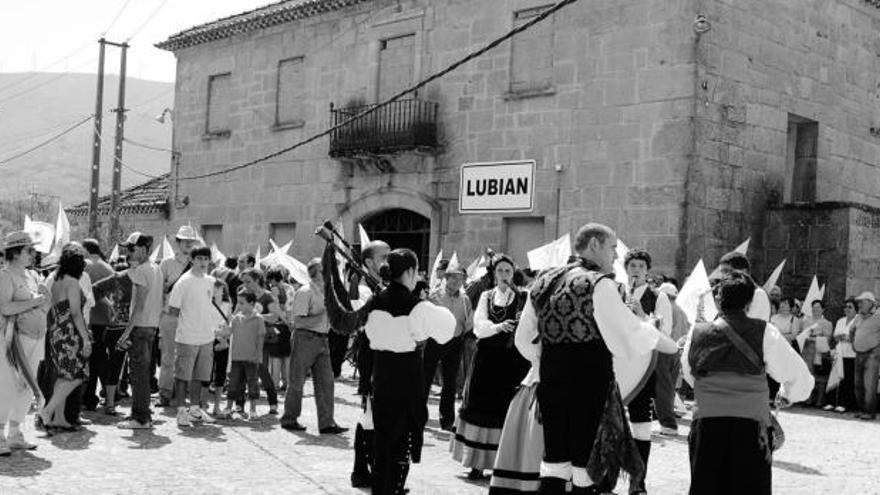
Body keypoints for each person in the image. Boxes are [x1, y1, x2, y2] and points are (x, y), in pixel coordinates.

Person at [518, 223, 679, 494]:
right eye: (612, 247)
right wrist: (670, 345)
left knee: (555, 462)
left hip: (552, 383)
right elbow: (630, 333)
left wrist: (549, 363)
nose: (616, 256)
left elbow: (523, 340)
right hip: (589, 385)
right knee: (585, 464)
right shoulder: (599, 284)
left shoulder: (543, 281)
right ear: (594, 245)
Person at [325, 246, 455, 494]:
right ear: (409, 271)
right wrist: (425, 302)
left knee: (383, 440)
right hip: (407, 378)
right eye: (416, 271)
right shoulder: (418, 307)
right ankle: (392, 489)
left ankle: (381, 487)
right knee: (401, 443)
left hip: (381, 376)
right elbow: (447, 330)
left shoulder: (374, 302)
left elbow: (356, 323)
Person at [682, 270, 814, 495]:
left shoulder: (697, 332)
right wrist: (787, 394)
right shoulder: (764, 332)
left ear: (717, 299)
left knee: (707, 487)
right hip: (750, 427)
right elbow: (800, 378)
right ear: (750, 302)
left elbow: (689, 373)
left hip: (707, 424)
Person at [451, 254, 530, 480]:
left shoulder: (523, 297)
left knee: (506, 410)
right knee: (480, 407)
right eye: (500, 271)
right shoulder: (487, 296)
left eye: (508, 271)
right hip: (487, 361)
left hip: (513, 363)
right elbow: (479, 326)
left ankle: (503, 463)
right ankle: (476, 463)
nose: (504, 275)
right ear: (494, 274)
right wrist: (499, 327)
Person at [327, 239, 389, 489]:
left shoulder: (384, 285)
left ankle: (370, 469)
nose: (388, 261)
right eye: (383, 257)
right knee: (371, 412)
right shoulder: (361, 287)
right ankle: (363, 470)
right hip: (372, 354)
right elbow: (364, 313)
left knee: (375, 414)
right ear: (368, 262)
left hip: (386, 353)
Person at [280, 258, 347, 434]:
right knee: (297, 381)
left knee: (326, 382)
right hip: (305, 338)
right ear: (316, 272)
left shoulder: (327, 292)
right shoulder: (305, 291)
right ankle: (289, 418)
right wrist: (325, 314)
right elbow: (298, 321)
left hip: (323, 339)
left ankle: (327, 423)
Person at [0, 231, 50, 453]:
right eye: (29, 250)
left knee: (27, 385)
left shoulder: (32, 275)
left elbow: (42, 304)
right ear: (16, 252)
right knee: (8, 386)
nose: (33, 254)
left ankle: (15, 432)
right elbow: (5, 307)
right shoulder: (5, 276)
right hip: (14, 341)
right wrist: (36, 302)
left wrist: (43, 300)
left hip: (36, 337)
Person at [41, 243, 91, 431]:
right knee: (78, 374)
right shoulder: (72, 282)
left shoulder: (55, 279)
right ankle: (48, 410)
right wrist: (86, 338)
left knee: (63, 375)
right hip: (69, 332)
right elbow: (76, 313)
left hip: (55, 331)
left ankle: (59, 418)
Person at [116, 232, 163, 429]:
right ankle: (142, 414)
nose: (129, 252)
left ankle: (140, 418)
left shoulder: (142, 271)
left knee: (138, 375)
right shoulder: (155, 268)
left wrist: (126, 333)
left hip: (141, 327)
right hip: (151, 326)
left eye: (132, 248)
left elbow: (139, 306)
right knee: (142, 373)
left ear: (144, 249)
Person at [168, 245, 217, 427]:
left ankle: (195, 409)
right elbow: (173, 310)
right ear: (192, 260)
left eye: (206, 259)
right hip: (187, 336)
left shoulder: (210, 281)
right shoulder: (184, 281)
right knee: (182, 376)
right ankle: (181, 411)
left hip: (206, 336)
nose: (203, 262)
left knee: (199, 376)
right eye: (200, 259)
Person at [424, 261, 473, 432]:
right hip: (435, 341)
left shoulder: (466, 300)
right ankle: (420, 416)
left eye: (460, 279)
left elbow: (469, 321)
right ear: (447, 279)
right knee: (426, 379)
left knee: (450, 382)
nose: (457, 282)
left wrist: (463, 332)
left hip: (454, 343)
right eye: (454, 279)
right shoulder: (434, 296)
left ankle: (447, 420)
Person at [157, 225, 200, 407]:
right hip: (170, 315)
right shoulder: (166, 263)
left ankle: (182, 393)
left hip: (190, 317)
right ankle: (165, 393)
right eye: (185, 241)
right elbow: (159, 293)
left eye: (191, 241)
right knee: (167, 357)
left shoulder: (199, 264)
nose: (189, 244)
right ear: (178, 242)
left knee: (188, 356)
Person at [81, 238, 120, 413]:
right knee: (102, 358)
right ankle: (110, 392)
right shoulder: (108, 267)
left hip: (90, 318)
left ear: (86, 250)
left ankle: (88, 397)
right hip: (106, 317)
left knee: (89, 360)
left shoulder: (84, 265)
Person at [238, 268, 281, 414]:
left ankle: (273, 402)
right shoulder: (243, 294)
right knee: (242, 369)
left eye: (248, 281)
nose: (245, 284)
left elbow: (275, 316)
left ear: (257, 280)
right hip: (244, 337)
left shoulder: (268, 296)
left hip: (262, 337)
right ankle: (240, 403)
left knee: (261, 369)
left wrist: (256, 316)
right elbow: (236, 313)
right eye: (243, 281)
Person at [218, 289, 265, 419]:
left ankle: (253, 410)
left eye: (242, 303)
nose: (239, 306)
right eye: (238, 303)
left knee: (252, 384)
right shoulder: (236, 318)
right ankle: (228, 408)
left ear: (252, 303)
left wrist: (258, 356)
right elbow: (228, 332)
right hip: (236, 357)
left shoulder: (258, 319)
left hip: (251, 358)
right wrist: (218, 332)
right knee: (233, 384)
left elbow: (260, 339)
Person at [824, 298, 858, 412]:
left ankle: (844, 403)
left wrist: (847, 338)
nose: (847, 309)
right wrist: (842, 337)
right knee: (834, 377)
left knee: (847, 380)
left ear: (855, 309)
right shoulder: (840, 321)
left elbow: (857, 338)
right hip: (839, 353)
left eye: (850, 307)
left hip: (852, 354)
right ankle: (830, 402)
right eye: (846, 307)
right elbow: (835, 336)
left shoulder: (858, 320)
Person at [717, 252, 771, 321]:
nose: (722, 276)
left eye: (726, 271)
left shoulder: (758, 294)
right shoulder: (728, 294)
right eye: (721, 272)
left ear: (744, 272)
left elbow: (751, 327)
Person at [852, 291, 880, 420]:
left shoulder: (879, 315)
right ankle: (861, 409)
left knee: (869, 384)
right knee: (858, 384)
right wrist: (854, 343)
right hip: (859, 353)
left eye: (862, 302)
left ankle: (869, 412)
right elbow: (852, 330)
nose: (859, 304)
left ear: (870, 303)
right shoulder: (858, 316)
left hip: (872, 354)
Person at [800, 300, 833, 406]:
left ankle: (820, 400)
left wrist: (813, 338)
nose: (815, 309)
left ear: (823, 309)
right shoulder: (805, 321)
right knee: (807, 375)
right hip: (807, 351)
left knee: (820, 376)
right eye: (813, 307)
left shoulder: (827, 323)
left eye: (818, 307)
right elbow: (802, 335)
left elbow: (827, 339)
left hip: (819, 352)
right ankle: (807, 398)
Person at [265, 267, 293, 390]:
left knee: (275, 357)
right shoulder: (290, 289)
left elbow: (276, 309)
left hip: (275, 325)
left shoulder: (273, 290)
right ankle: (287, 383)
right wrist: (289, 323)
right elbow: (290, 309)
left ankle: (275, 383)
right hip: (288, 326)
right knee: (287, 356)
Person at [210, 279, 231, 417]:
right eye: (215, 288)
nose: (217, 290)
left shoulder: (228, 304)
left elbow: (229, 322)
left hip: (222, 339)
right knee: (205, 373)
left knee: (220, 374)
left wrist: (223, 338)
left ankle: (217, 406)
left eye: (219, 288)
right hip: (207, 339)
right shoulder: (206, 303)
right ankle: (202, 404)